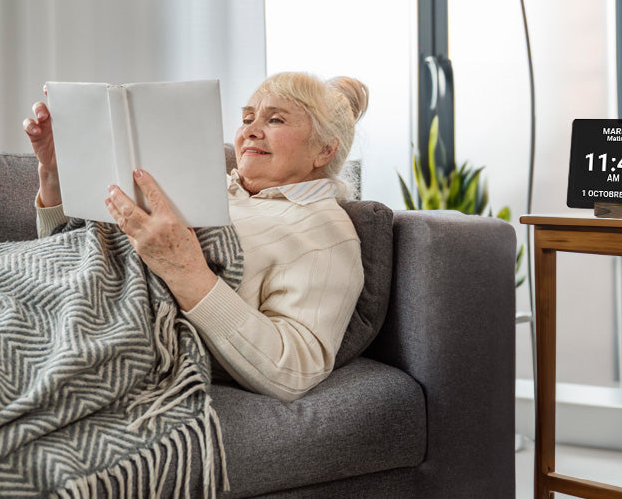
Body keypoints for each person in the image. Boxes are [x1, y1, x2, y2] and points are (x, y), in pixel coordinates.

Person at [22, 72, 369, 402]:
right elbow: (69, 259)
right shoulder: (204, 186)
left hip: (117, 332)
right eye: (247, 118)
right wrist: (55, 177)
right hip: (58, 302)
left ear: (324, 151)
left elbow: (294, 371)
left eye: (274, 120)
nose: (250, 131)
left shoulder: (324, 234)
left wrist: (183, 270)